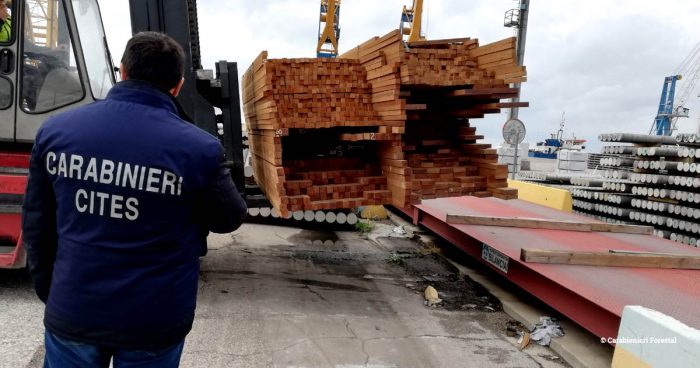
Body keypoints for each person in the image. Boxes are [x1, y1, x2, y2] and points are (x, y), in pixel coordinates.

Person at [22, 32, 247, 367]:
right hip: (154, 320)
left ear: (122, 72)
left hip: (75, 308)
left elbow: (37, 225)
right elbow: (229, 218)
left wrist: (52, 292)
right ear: (179, 85)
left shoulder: (57, 132)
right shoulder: (198, 149)